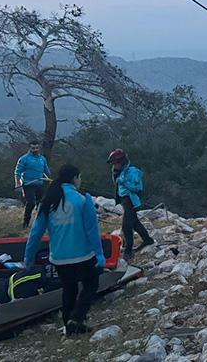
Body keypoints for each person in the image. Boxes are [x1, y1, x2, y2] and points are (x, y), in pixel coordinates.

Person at [23, 164, 105, 334]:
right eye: (79, 177)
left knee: (69, 289)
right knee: (91, 285)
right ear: (75, 179)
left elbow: (35, 233)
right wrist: (99, 254)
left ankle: (69, 325)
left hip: (59, 258)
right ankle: (78, 317)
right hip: (83, 255)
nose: (80, 181)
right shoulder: (83, 200)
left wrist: (28, 258)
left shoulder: (48, 202)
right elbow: (92, 231)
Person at [108, 149, 153, 260]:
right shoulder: (117, 172)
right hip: (124, 199)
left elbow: (137, 188)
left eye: (116, 163)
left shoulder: (132, 172)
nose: (114, 166)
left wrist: (125, 182)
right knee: (134, 222)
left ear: (122, 162)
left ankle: (128, 252)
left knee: (126, 226)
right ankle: (147, 239)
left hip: (131, 200)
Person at [14, 140, 51, 228]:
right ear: (29, 148)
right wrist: (17, 183)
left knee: (41, 204)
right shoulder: (24, 159)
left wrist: (49, 178)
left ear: (39, 148)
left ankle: (40, 223)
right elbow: (18, 172)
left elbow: (46, 170)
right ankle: (26, 223)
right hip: (28, 184)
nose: (35, 150)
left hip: (39, 183)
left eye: (37, 148)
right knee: (31, 203)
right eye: (33, 148)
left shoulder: (42, 159)